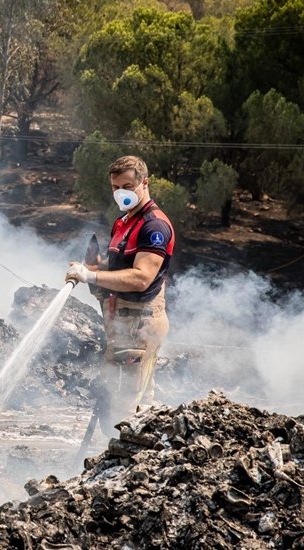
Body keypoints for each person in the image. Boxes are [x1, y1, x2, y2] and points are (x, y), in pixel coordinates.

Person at [65, 155, 175, 427]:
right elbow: (120, 266)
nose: (120, 193)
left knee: (129, 405)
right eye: (115, 187)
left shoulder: (154, 226)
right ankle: (121, 458)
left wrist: (91, 274)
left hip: (140, 323)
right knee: (115, 400)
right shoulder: (124, 221)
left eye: (127, 186)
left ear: (144, 183)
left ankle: (135, 461)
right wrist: (93, 267)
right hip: (122, 323)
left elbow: (141, 278)